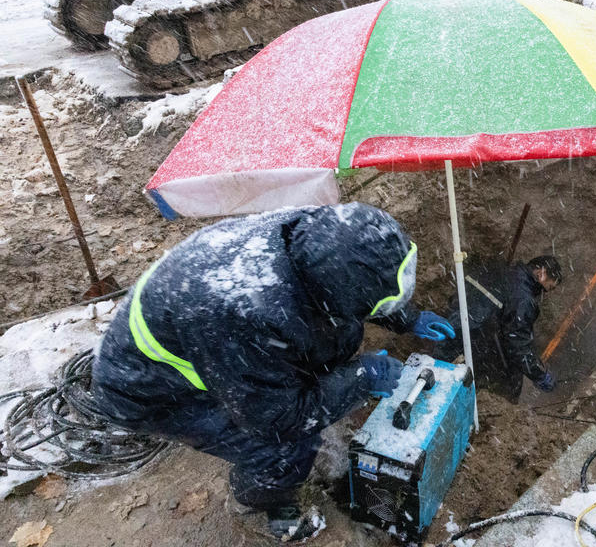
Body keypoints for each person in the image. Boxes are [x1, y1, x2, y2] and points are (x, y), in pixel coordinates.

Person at [90, 203, 454, 541]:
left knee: (324, 356)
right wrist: (362, 379)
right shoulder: (246, 316)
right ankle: (258, 506)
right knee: (287, 449)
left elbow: (356, 279)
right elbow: (275, 420)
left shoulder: (317, 234)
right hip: (147, 387)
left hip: (204, 338)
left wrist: (406, 316)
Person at [436, 255, 562, 403]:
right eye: (549, 287)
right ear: (542, 273)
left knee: (436, 374)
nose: (545, 292)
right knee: (511, 378)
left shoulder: (498, 268)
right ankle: (496, 404)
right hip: (473, 342)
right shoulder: (523, 299)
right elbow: (518, 345)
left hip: (449, 328)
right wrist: (539, 374)